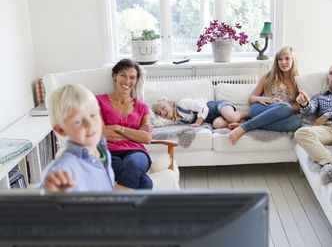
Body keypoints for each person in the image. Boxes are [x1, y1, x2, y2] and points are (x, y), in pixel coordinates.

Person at [44, 84, 125, 192]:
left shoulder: (102, 150)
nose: (90, 125)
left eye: (93, 115)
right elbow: (48, 192)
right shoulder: (65, 167)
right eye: (78, 121)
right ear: (61, 130)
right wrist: (53, 191)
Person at [96, 59, 153, 190]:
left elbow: (147, 138)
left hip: (137, 152)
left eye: (132, 77)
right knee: (145, 183)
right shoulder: (98, 101)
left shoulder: (142, 107)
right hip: (108, 152)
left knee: (132, 163)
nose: (127, 81)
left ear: (136, 81)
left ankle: (118, 202)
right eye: (123, 75)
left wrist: (117, 128)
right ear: (115, 76)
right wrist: (136, 133)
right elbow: (103, 134)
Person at [229, 46, 302, 145]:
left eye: (287, 58)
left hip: (281, 115)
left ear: (293, 60)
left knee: (296, 122)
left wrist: (283, 109)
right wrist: (261, 98)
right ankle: (244, 127)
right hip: (261, 109)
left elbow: (300, 106)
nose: (283, 62)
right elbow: (251, 98)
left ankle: (247, 124)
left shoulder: (298, 80)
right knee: (286, 107)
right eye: (280, 59)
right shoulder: (268, 76)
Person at [152, 98, 249, 129]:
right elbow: (161, 123)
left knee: (231, 117)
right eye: (160, 113)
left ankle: (247, 114)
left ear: (170, 103)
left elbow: (204, 108)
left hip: (217, 107)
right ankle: (241, 123)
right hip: (214, 119)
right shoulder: (176, 120)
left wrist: (198, 123)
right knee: (217, 125)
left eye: (163, 108)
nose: (163, 113)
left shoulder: (183, 104)